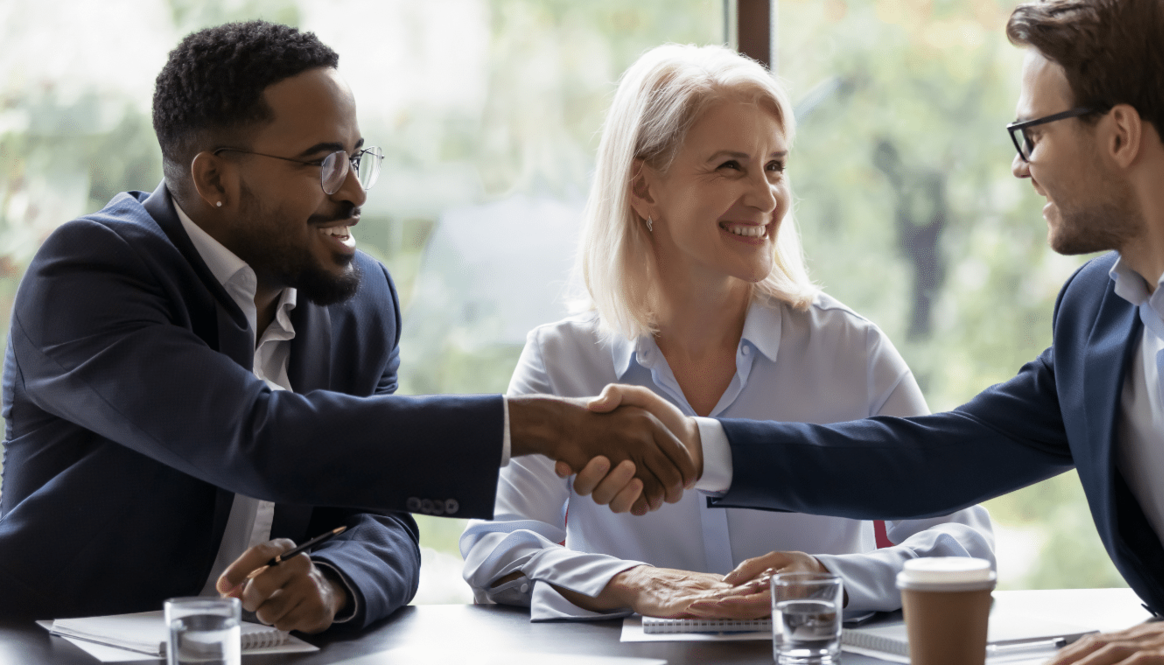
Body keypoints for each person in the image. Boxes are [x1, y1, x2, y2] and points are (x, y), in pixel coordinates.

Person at [579, 1, 1164, 662]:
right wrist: (695, 445)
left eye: (1033, 134)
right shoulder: (1095, 315)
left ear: (1119, 134)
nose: (1020, 166)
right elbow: (935, 457)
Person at [0, 21, 694, 629]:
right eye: (323, 162)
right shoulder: (88, 276)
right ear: (214, 180)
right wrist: (541, 425)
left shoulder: (361, 301)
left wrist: (334, 582)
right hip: (57, 648)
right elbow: (256, 435)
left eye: (356, 157)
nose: (355, 191)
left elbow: (382, 518)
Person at [459, 44, 995, 622]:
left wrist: (827, 579)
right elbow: (496, 553)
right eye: (730, 167)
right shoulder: (562, 359)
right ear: (643, 188)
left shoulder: (851, 351)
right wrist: (631, 582)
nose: (765, 198)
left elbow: (962, 545)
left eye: (775, 167)